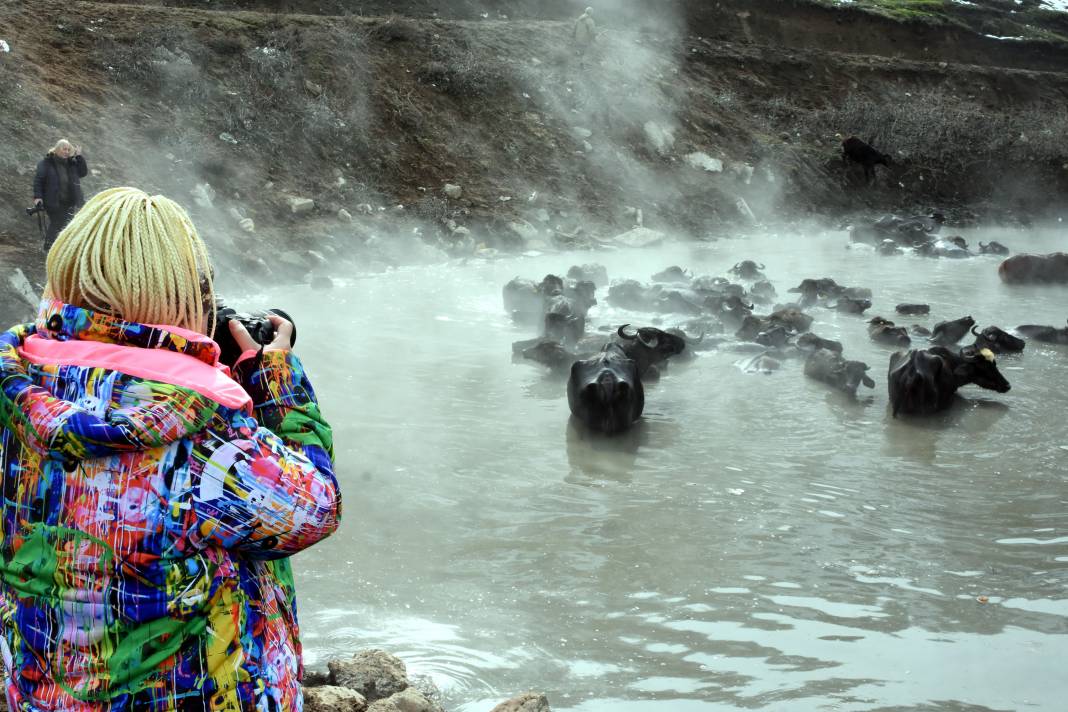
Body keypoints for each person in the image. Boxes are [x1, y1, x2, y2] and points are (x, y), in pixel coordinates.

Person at [0, 187, 341, 711]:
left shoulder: (14, 384)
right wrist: (271, 377)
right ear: (181, 293)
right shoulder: (199, 433)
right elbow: (315, 507)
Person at [32, 138, 88, 251]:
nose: (66, 152)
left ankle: (59, 249)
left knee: (67, 224)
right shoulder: (46, 163)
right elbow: (38, 180)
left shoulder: (72, 163)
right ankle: (48, 248)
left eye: (68, 149)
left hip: (69, 201)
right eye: (64, 149)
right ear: (57, 150)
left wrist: (79, 156)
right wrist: (38, 197)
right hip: (53, 200)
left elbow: (83, 172)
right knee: (57, 223)